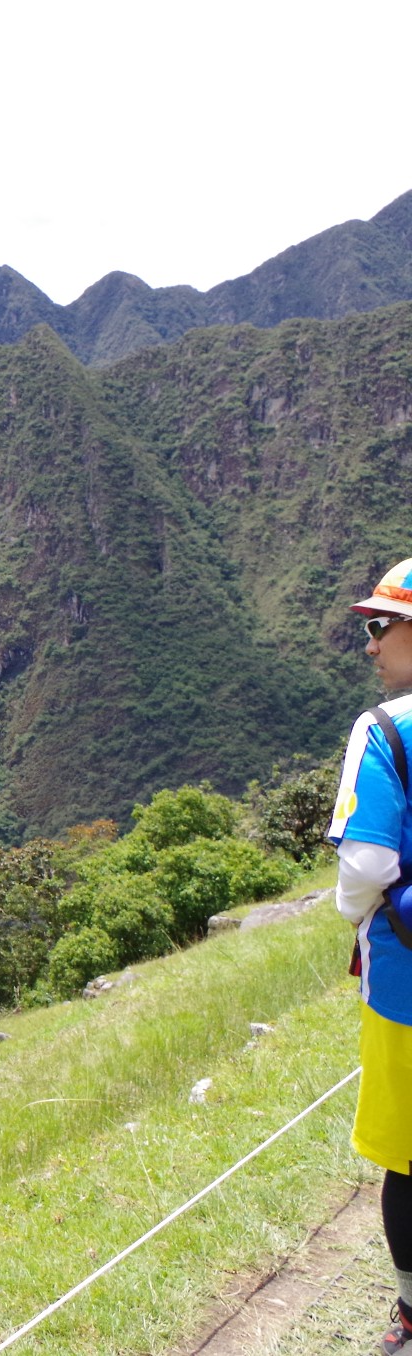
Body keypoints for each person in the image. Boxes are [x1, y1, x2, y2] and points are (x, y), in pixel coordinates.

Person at [329, 558, 412, 1353]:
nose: (371, 646)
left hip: (408, 989)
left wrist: (353, 919)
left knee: (409, 1158)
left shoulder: (385, 730)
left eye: (380, 626)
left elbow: (366, 869)